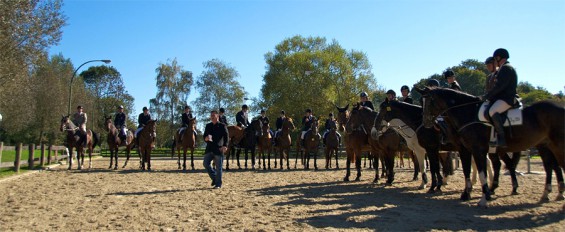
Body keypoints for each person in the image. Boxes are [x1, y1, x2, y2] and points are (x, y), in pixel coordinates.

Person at [480, 48, 518, 148]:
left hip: (507, 99)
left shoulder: (506, 68)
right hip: (503, 98)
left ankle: (502, 139)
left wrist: (487, 96)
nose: (494, 62)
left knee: (492, 111)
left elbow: (499, 86)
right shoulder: (503, 68)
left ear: (498, 57)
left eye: (495, 59)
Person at [203, 110, 229, 189]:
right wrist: (206, 138)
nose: (212, 117)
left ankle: (218, 184)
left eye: (213, 116)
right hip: (209, 148)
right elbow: (204, 136)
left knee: (219, 167)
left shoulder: (222, 125)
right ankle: (214, 177)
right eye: (211, 116)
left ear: (217, 116)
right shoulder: (208, 126)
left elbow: (226, 136)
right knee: (205, 163)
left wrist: (225, 145)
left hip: (218, 149)